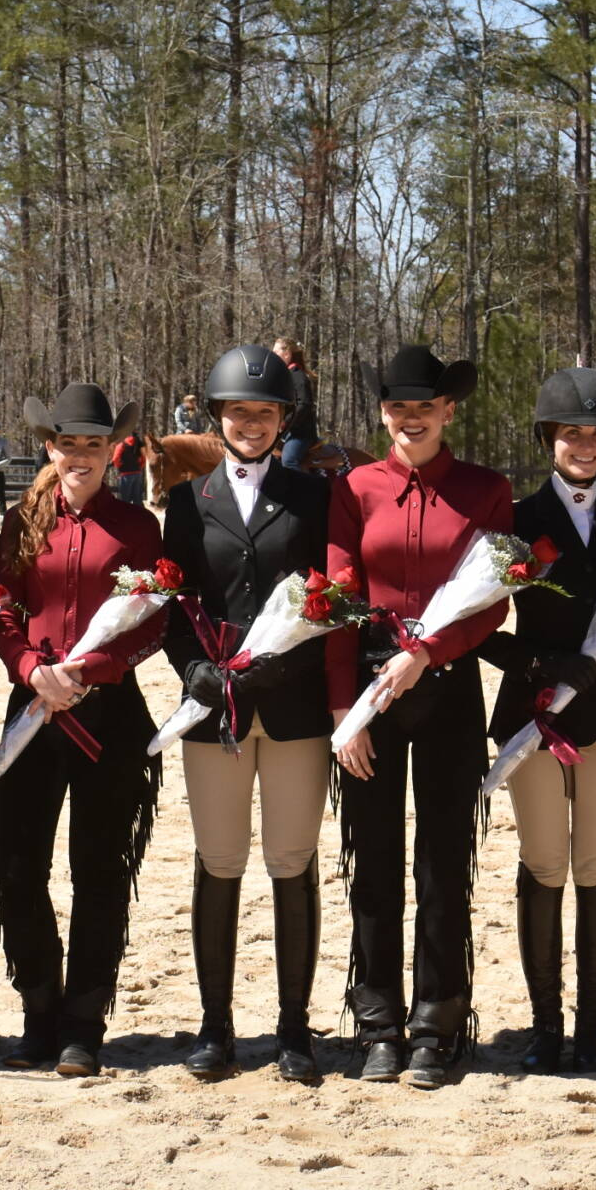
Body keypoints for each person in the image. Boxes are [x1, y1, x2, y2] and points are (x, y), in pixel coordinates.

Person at [328, 344, 513, 1091]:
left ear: (448, 411)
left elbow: (493, 600)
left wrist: (426, 653)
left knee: (443, 863)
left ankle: (438, 1023)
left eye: (425, 406)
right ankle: (376, 1023)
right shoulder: (354, 489)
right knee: (371, 862)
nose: (412, 417)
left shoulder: (485, 489)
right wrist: (346, 707)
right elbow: (337, 598)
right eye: (399, 406)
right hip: (370, 685)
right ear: (384, 412)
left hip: (447, 685)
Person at [162, 345, 334, 1083]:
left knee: (292, 861)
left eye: (266, 412)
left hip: (293, 705)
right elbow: (174, 605)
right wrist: (193, 669)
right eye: (240, 411)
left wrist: (286, 661)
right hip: (215, 709)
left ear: (283, 418)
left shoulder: (315, 496)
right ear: (218, 416)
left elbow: (332, 596)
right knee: (220, 861)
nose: (253, 422)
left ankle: (293, 1027)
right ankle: (214, 1025)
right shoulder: (185, 501)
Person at [0, 383, 166, 1077]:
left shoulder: (138, 527)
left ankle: (84, 1021)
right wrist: (33, 668)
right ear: (49, 446)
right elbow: (1, 610)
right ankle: (39, 1006)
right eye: (69, 443)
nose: (81, 455)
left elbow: (154, 619)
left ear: (110, 449)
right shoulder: (21, 519)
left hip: (108, 712)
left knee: (99, 869)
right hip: (32, 708)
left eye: (94, 444)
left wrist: (93, 669)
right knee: (18, 863)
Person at [481, 367, 596, 1074]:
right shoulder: (516, 521)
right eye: (572, 431)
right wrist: (543, 664)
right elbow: (479, 625)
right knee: (544, 862)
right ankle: (547, 1025)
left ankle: (592, 1028)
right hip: (536, 714)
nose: (585, 443)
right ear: (548, 437)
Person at [274, 339, 319, 473]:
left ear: (287, 354)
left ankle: (299, 492)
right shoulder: (284, 377)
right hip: (286, 432)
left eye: (276, 352)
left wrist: (284, 423)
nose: (273, 355)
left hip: (301, 434)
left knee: (288, 460)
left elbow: (304, 405)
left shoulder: (298, 376)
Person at [110, 430, 148, 506]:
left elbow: (115, 458)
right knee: (137, 498)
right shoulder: (139, 444)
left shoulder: (122, 444)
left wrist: (120, 466)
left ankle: (125, 516)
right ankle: (138, 516)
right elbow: (144, 458)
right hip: (137, 474)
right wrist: (140, 467)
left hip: (125, 474)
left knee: (124, 499)